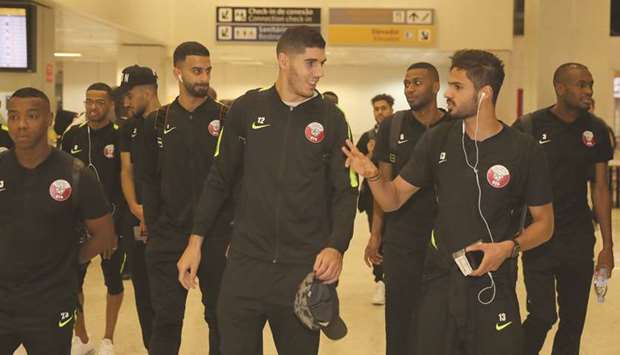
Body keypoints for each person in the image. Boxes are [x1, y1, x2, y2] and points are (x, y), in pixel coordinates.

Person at [343, 49, 555, 355]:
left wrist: (509, 248)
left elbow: (545, 224)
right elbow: (394, 200)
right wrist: (374, 176)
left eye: (457, 86)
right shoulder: (437, 140)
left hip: (493, 283)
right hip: (440, 281)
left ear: (484, 93)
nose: (447, 93)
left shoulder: (523, 150)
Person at [178, 26, 358, 355]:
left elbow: (345, 191)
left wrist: (336, 246)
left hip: (301, 270)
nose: (319, 72)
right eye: (311, 63)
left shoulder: (332, 119)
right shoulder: (246, 109)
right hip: (245, 267)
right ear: (283, 60)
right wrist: (196, 242)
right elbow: (219, 178)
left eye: (322, 63)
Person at [0, 87, 116, 355]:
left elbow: (105, 235)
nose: (21, 125)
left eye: (31, 116)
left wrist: (68, 260)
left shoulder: (76, 174)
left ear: (49, 118)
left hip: (51, 303)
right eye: (14, 116)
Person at [514, 63, 615, 355]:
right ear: (560, 88)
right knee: (543, 315)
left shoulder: (595, 129)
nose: (588, 91)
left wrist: (607, 246)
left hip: (578, 238)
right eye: (581, 85)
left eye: (591, 85)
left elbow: (600, 187)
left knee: (573, 323)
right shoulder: (529, 126)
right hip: (539, 236)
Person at [141, 41, 232, 355]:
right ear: (177, 72)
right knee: (165, 321)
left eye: (207, 70)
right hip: (168, 237)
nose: (204, 77)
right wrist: (155, 231)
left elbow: (238, 178)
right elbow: (148, 182)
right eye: (196, 70)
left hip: (217, 236)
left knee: (221, 320)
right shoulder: (157, 122)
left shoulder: (226, 118)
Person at [370, 63, 448, 355]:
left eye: (417, 82)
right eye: (406, 83)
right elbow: (383, 184)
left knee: (440, 322)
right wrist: (376, 234)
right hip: (401, 240)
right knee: (400, 321)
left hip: (445, 243)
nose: (410, 88)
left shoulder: (453, 126)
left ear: (436, 86)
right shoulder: (393, 126)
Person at [59, 83, 125, 355]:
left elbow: (125, 181)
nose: (93, 107)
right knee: (73, 280)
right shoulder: (72, 134)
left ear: (110, 104)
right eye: (88, 101)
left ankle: (108, 339)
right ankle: (82, 337)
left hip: (111, 222)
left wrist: (113, 228)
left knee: (114, 281)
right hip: (77, 225)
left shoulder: (121, 136)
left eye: (99, 102)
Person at [118, 65, 160, 350]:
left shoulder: (170, 122)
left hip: (167, 224)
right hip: (136, 221)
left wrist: (155, 214)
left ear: (147, 91)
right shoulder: (128, 128)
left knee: (166, 295)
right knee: (143, 292)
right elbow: (126, 170)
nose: (126, 102)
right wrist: (136, 207)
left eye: (130, 95)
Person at [357, 93, 394, 305]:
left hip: (398, 196)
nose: (380, 112)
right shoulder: (367, 137)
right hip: (373, 198)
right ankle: (380, 281)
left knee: (395, 240)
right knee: (376, 236)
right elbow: (359, 167)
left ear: (391, 109)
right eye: (376, 109)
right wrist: (370, 155)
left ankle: (394, 280)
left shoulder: (400, 133)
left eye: (384, 108)